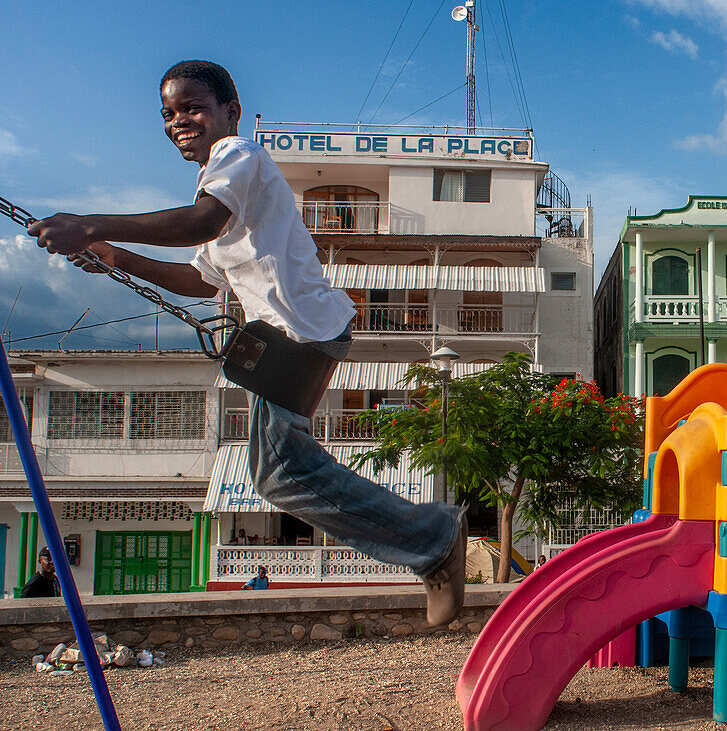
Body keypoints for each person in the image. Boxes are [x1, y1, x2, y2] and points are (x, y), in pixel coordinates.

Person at [27, 60, 466, 626]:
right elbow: (198, 276)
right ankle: (430, 543)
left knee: (281, 471)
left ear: (230, 112)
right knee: (276, 473)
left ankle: (433, 539)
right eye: (168, 112)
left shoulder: (239, 157)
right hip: (291, 338)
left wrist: (92, 224)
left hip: (303, 331)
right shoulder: (221, 187)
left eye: (192, 107)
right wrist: (116, 257)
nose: (178, 120)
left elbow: (200, 223)